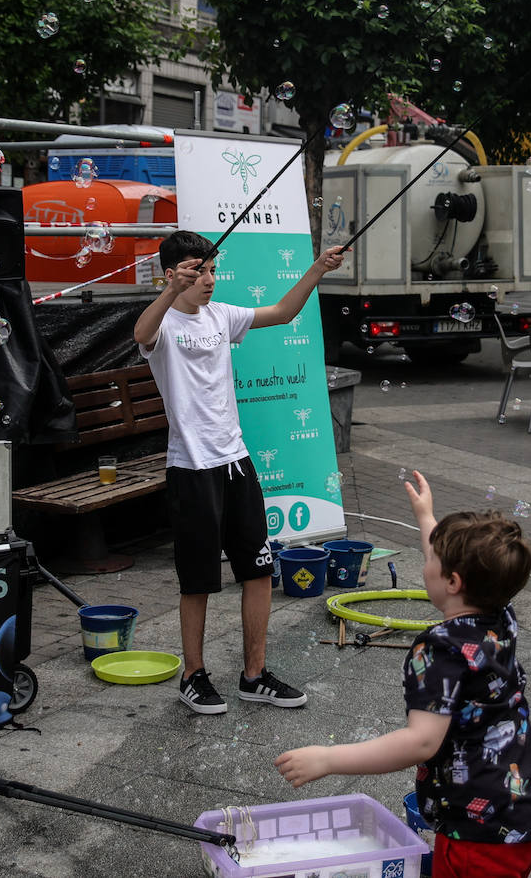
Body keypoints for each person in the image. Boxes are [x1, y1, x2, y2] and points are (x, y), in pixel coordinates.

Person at [275, 471, 531, 878]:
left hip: (479, 834)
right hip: (522, 813)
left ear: (453, 581)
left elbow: (420, 741)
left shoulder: (441, 649)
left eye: (431, 560)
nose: (426, 563)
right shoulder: (501, 617)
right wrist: (426, 517)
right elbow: (450, 565)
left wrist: (328, 759)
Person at [133, 229, 347, 716]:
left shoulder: (222, 315)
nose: (209, 279)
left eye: (212, 269)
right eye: (198, 271)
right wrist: (168, 292)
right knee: (198, 580)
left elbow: (282, 313)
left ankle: (254, 675)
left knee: (258, 571)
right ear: (172, 275)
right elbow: (142, 335)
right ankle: (193, 675)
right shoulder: (163, 324)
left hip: (236, 462)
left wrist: (316, 269)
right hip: (191, 468)